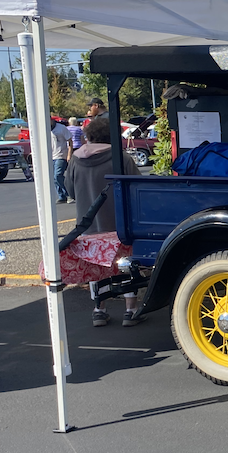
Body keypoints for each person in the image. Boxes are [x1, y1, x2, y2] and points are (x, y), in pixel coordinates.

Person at [64, 115, 143, 327]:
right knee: (126, 266)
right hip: (119, 223)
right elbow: (135, 188)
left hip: (87, 225)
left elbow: (69, 189)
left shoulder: (75, 160)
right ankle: (131, 310)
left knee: (96, 269)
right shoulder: (121, 158)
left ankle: (99, 309)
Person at [50, 118, 72, 203]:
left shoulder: (61, 128)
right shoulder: (45, 129)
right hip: (51, 156)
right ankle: (61, 196)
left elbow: (70, 141)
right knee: (54, 178)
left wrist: (69, 154)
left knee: (58, 175)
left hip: (61, 155)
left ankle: (69, 194)